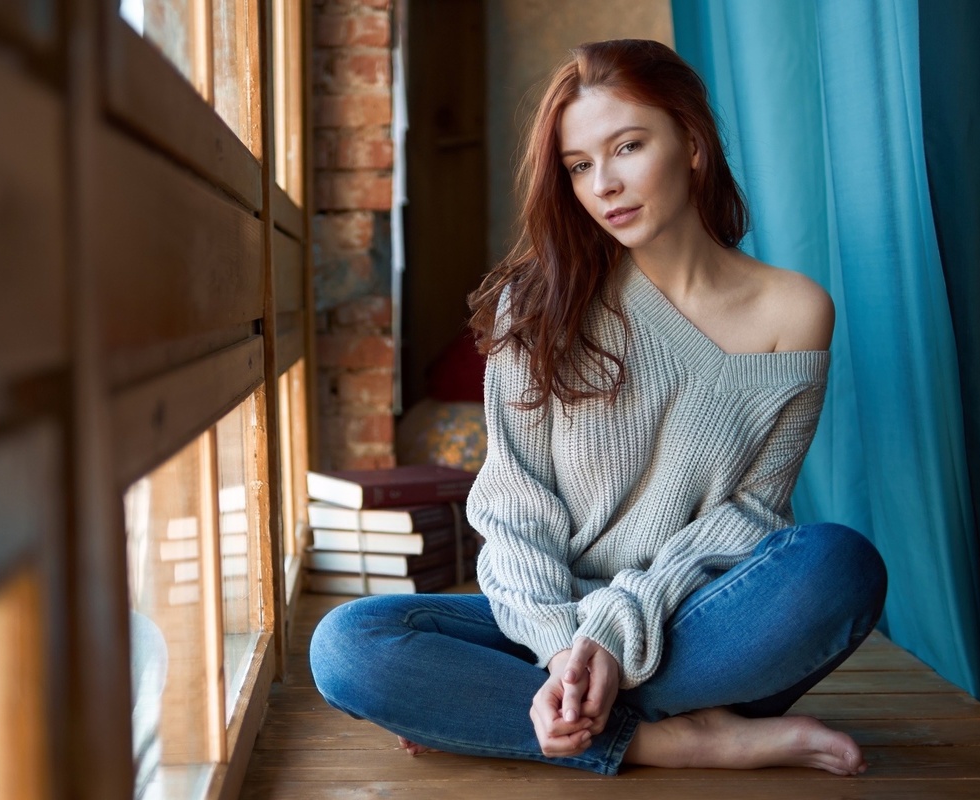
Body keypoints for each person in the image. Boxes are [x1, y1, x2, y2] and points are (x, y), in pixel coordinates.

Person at [309, 39, 887, 776]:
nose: (604, 184)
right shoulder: (540, 303)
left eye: (628, 147)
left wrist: (614, 638)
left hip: (691, 626)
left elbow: (747, 518)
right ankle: (667, 740)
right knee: (348, 644)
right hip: (542, 626)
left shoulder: (795, 312)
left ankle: (502, 714)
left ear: (694, 143)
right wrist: (562, 650)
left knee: (837, 565)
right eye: (580, 166)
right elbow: (514, 506)